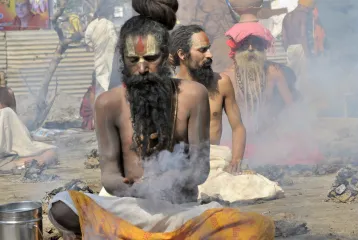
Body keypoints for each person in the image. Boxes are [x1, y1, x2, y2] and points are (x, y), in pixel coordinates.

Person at [48, 1, 273, 239]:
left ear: (166, 57)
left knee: (255, 225)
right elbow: (109, 174)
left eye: (151, 58)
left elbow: (200, 169)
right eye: (133, 60)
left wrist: (168, 180)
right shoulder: (107, 103)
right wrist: (130, 185)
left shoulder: (193, 95)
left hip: (180, 211)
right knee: (61, 206)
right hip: (131, 209)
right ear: (122, 60)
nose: (142, 68)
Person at [170, 25, 246, 173]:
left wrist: (236, 160)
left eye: (209, 49)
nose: (210, 55)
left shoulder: (222, 83)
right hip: (179, 164)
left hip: (214, 161)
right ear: (182, 54)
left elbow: (238, 127)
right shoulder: (169, 89)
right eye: (202, 50)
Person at [223, 21, 298, 133]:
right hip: (238, 135)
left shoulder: (274, 73)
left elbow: (291, 108)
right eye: (245, 44)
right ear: (236, 48)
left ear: (263, 47)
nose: (251, 48)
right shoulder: (227, 76)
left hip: (268, 136)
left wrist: (288, 131)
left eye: (256, 43)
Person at [0, 71, 57, 173]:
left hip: (10, 148)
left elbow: (14, 117)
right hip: (8, 154)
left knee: (49, 153)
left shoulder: (8, 104)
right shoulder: (6, 113)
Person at [281, 0, 315, 95]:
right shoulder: (303, 16)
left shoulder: (286, 16)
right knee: (304, 77)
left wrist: (287, 49)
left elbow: (284, 38)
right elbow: (302, 35)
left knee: (292, 75)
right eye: (309, 8)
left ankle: (292, 95)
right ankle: (303, 98)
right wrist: (307, 53)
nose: (309, 11)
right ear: (304, 6)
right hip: (301, 47)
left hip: (290, 48)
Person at [85, 2, 117, 98]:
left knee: (99, 75)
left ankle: (99, 101)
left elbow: (87, 39)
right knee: (107, 76)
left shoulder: (92, 25)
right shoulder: (110, 24)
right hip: (109, 55)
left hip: (98, 55)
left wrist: (94, 46)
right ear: (108, 14)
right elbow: (115, 40)